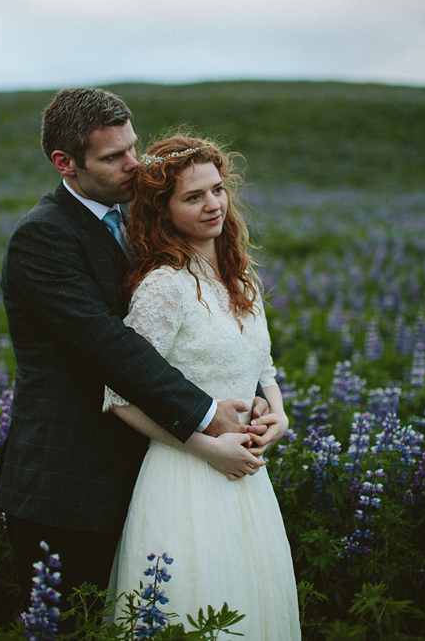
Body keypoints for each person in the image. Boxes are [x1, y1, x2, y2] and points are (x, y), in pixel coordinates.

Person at [0, 89, 269, 629]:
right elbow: (111, 347)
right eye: (112, 157)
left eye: (133, 147)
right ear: (64, 163)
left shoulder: (135, 224)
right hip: (68, 484)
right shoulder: (43, 237)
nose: (133, 164)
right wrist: (207, 415)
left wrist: (255, 397)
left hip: (145, 472)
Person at [104, 135, 301, 639]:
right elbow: (119, 397)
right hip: (185, 474)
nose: (212, 204)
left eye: (217, 190)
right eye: (193, 197)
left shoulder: (241, 275)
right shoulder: (163, 286)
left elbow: (264, 366)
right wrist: (208, 448)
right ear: (164, 211)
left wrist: (277, 413)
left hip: (249, 477)